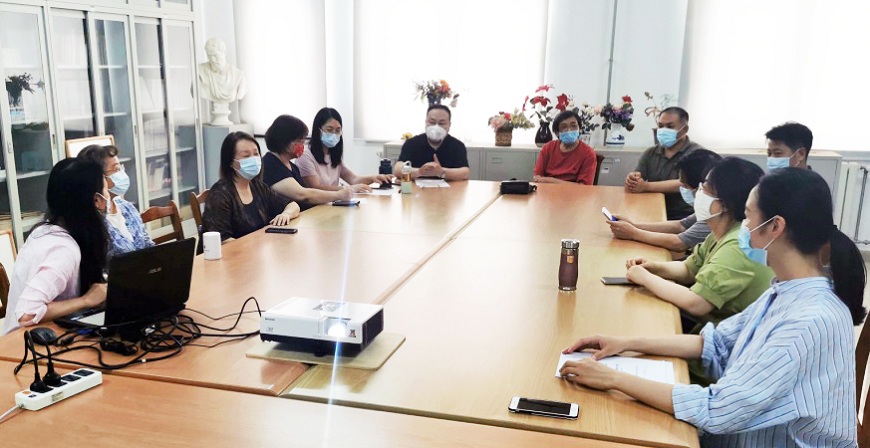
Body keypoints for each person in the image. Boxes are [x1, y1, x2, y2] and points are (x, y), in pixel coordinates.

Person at [560, 168, 865, 447]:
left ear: (775, 227)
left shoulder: (807, 320)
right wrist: (625, 343)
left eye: (749, 217)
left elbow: (718, 409)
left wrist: (613, 379)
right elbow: (715, 342)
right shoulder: (786, 291)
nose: (744, 226)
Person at [622, 157, 773, 333]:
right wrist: (654, 267)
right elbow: (689, 269)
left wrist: (645, 278)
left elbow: (697, 303)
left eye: (705, 188)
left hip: (729, 339)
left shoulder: (738, 245)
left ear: (724, 204)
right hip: (710, 329)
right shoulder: (721, 232)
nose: (698, 192)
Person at [2, 158, 109, 335]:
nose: (109, 195)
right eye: (106, 189)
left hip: (42, 337)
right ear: (97, 200)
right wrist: (87, 300)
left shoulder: (45, 231)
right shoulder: (63, 250)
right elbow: (27, 314)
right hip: (26, 344)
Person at [608, 150, 722, 258]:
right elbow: (680, 225)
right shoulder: (710, 207)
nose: (682, 189)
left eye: (685, 186)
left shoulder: (716, 214)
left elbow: (679, 243)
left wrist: (633, 233)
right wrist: (633, 225)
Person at [202, 132, 300, 241]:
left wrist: (286, 214)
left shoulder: (257, 186)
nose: (254, 159)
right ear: (231, 162)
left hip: (258, 246)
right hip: (235, 250)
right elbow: (222, 240)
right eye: (246, 156)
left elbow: (292, 205)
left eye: (256, 154)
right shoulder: (220, 195)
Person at [625, 107, 706, 220]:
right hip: (650, 209)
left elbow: (684, 184)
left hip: (684, 216)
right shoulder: (650, 152)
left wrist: (646, 186)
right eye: (661, 126)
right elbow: (638, 177)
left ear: (684, 129)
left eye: (670, 126)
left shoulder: (698, 154)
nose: (663, 130)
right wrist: (632, 179)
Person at [262, 114, 354, 209]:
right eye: (300, 141)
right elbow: (302, 195)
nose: (303, 145)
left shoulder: (292, 167)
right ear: (285, 141)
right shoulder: (270, 164)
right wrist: (339, 195)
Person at [77, 144, 154, 257]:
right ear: (99, 178)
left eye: (120, 168)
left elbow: (147, 243)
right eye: (116, 169)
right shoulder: (92, 221)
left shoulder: (127, 207)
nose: (121, 173)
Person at [296, 107, 390, 192]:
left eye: (338, 130)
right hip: (317, 204)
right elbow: (315, 188)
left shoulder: (333, 153)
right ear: (318, 129)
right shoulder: (305, 155)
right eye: (329, 129)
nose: (334, 134)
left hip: (333, 201)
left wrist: (373, 178)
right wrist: (347, 189)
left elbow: (353, 179)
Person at [393, 105, 469, 181]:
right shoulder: (412, 143)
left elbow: (465, 172)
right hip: (416, 187)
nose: (436, 127)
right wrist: (419, 172)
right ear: (426, 122)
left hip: (449, 187)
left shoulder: (457, 146)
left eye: (441, 123)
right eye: (432, 122)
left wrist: (441, 172)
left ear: (449, 125)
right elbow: (397, 169)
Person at [532, 110, 598, 185]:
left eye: (573, 126)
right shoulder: (548, 148)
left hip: (574, 192)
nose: (569, 130)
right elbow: (537, 177)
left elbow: (584, 187)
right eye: (564, 127)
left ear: (579, 129)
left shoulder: (588, 153)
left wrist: (550, 180)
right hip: (546, 191)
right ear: (557, 132)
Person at [197, 38, 247, 104]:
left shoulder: (237, 75)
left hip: (231, 109)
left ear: (224, 53)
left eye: (215, 56)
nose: (212, 59)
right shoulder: (200, 71)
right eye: (209, 56)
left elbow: (240, 97)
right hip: (206, 109)